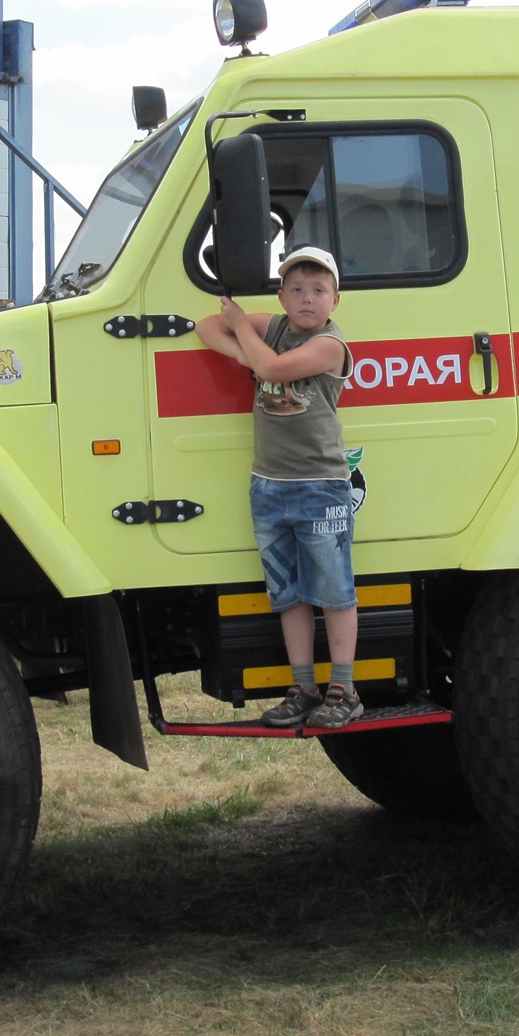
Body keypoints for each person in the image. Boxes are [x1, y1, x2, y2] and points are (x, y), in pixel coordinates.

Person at [198, 246, 362, 730]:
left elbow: (270, 370)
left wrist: (249, 343)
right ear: (282, 295)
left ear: (336, 300)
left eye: (318, 290)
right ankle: (303, 688)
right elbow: (208, 326)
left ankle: (344, 690)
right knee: (288, 594)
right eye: (296, 289)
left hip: (321, 486)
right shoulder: (272, 330)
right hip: (268, 485)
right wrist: (245, 345)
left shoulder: (331, 345)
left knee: (334, 592)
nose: (306, 299)